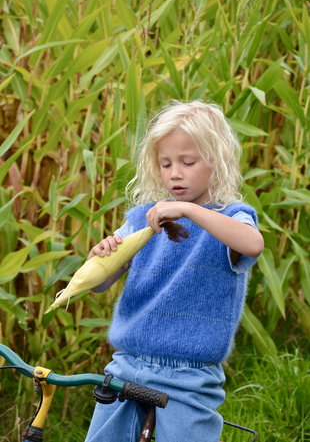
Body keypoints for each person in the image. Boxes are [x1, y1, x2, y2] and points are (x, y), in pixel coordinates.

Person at [85, 100, 264, 442]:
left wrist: (187, 210)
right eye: (165, 164)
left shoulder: (232, 217)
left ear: (217, 160)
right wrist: (103, 257)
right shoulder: (143, 219)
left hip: (189, 375)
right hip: (129, 362)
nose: (174, 173)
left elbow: (252, 245)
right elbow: (100, 284)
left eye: (187, 162)